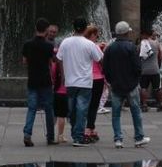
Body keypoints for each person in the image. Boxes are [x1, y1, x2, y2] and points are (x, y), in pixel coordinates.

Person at [56, 18, 103, 147]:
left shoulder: (65, 42)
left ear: (73, 27)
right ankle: (78, 137)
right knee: (81, 110)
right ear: (85, 28)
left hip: (70, 82)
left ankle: (75, 134)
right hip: (85, 82)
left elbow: (59, 59)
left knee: (72, 110)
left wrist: (63, 75)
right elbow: (99, 59)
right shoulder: (89, 44)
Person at [102, 21, 150, 149]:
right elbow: (137, 67)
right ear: (125, 33)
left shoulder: (110, 48)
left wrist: (111, 81)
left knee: (116, 114)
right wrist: (136, 80)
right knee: (136, 112)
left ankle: (118, 139)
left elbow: (105, 68)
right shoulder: (131, 47)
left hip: (116, 85)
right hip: (131, 85)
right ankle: (139, 138)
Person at [21, 18, 57, 147]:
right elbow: (52, 61)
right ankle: (50, 137)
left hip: (32, 80)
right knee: (48, 109)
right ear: (46, 30)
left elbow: (24, 61)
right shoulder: (49, 46)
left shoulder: (27, 44)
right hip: (45, 80)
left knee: (31, 109)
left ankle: (27, 134)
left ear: (36, 28)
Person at [83, 25, 106, 142]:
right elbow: (102, 61)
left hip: (84, 79)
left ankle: (90, 128)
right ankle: (88, 129)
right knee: (93, 105)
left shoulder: (82, 46)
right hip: (97, 79)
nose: (97, 37)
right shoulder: (94, 46)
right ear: (92, 35)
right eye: (96, 35)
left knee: (85, 104)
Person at [139, 28, 162, 113]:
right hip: (155, 69)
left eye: (142, 34)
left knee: (143, 88)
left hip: (144, 70)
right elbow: (161, 57)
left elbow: (138, 56)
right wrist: (158, 65)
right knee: (157, 88)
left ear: (144, 34)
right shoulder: (156, 43)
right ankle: (160, 105)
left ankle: (144, 105)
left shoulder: (141, 44)